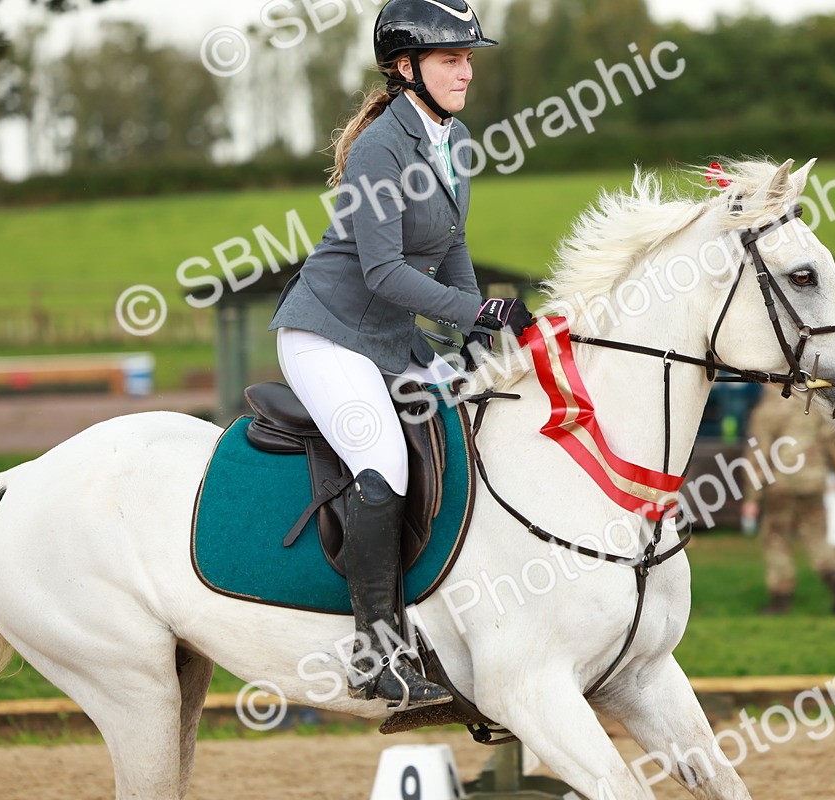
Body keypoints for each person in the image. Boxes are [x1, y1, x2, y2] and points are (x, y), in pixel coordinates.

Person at [268, 0, 534, 708]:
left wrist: (480, 325)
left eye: (469, 58)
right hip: (327, 332)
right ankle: (374, 652)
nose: (467, 72)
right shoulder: (382, 147)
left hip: (390, 338)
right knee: (382, 460)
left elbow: (449, 244)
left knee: (471, 427)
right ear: (406, 67)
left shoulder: (455, 138)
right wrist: (477, 310)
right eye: (452, 59)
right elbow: (384, 271)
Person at [741, 390, 835, 615]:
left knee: (776, 538)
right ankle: (834, 572)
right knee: (815, 534)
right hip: (814, 479)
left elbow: (758, 454)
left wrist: (752, 497)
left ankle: (781, 597)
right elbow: (830, 445)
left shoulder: (765, 411)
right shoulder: (812, 407)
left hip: (782, 483)